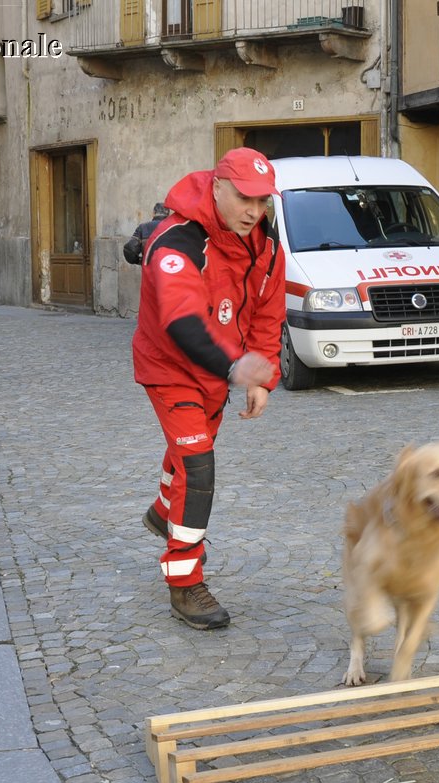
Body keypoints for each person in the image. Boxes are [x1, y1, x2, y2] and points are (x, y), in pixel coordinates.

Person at [133, 147, 284, 629]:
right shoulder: (177, 241)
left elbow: (266, 312)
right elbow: (182, 323)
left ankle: (163, 511)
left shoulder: (265, 242)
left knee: (187, 455)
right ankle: (184, 582)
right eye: (244, 198)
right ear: (217, 186)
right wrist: (235, 365)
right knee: (197, 466)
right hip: (171, 368)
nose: (254, 211)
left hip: (217, 373)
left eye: (263, 202)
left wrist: (266, 376)